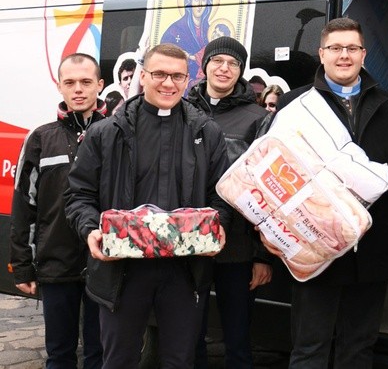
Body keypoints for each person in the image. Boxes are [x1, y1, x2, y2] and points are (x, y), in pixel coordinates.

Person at [65, 43, 233, 369]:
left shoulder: (206, 133)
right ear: (143, 76)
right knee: (119, 361)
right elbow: (78, 195)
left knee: (179, 361)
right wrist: (90, 231)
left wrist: (220, 228)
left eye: (177, 76)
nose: (168, 84)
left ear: (188, 80)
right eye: (159, 74)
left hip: (184, 270)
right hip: (122, 270)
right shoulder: (106, 133)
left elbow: (221, 196)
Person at [279, 17, 388, 369]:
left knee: (359, 349)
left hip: (373, 248)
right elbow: (271, 165)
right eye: (335, 48)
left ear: (363, 54)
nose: (343, 55)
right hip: (315, 249)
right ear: (321, 53)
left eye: (351, 48)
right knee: (309, 349)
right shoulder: (295, 105)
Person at [10, 53, 106, 369]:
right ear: (60, 87)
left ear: (100, 85)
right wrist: (23, 265)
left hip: (105, 262)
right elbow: (24, 205)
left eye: (86, 82)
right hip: (55, 262)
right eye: (70, 82)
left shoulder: (116, 134)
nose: (78, 89)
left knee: (101, 353)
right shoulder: (41, 138)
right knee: (60, 354)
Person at [187, 36, 273, 368]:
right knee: (188, 334)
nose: (225, 68)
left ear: (241, 71)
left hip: (237, 247)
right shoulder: (183, 110)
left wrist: (263, 255)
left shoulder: (257, 118)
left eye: (233, 63)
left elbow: (268, 190)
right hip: (189, 240)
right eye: (218, 60)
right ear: (205, 65)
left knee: (238, 339)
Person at [161, 0, 214, 81]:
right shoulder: (175, 30)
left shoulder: (212, 31)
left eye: (203, 0)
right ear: (189, 2)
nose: (200, 5)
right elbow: (163, 55)